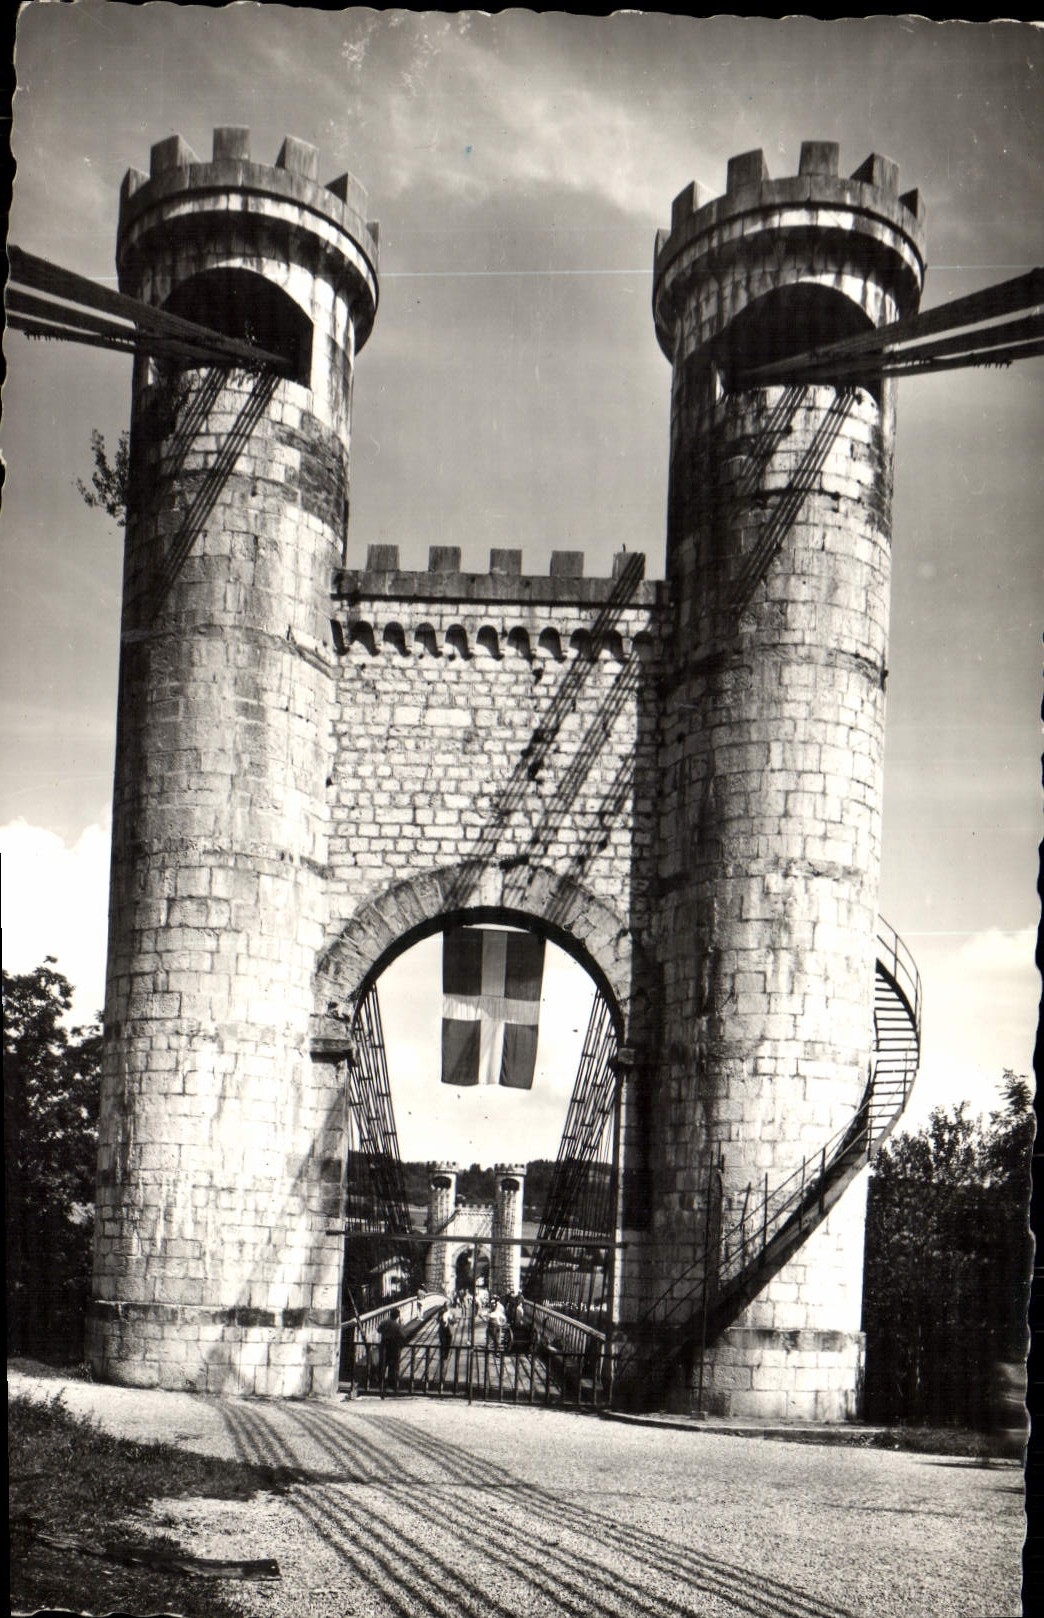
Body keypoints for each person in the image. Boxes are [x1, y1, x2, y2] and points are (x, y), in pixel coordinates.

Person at [378, 1307, 405, 1396]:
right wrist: (402, 1325)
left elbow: (379, 1330)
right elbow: (402, 1336)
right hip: (393, 1347)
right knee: (393, 1366)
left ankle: (380, 1383)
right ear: (397, 1316)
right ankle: (392, 1385)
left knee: (383, 1364)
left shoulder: (384, 1322)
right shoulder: (397, 1326)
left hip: (384, 1345)